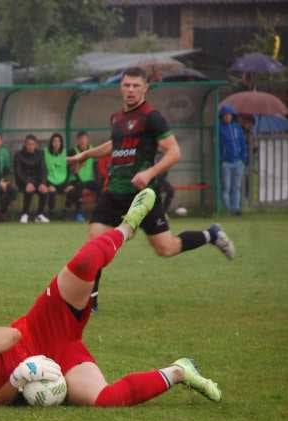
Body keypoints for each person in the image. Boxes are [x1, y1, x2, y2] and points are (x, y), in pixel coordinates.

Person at [0, 188, 222, 407]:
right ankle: (180, 370)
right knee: (105, 400)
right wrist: (20, 378)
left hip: (42, 325)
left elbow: (9, 334)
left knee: (85, 264)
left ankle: (127, 226)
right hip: (60, 359)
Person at [67, 67, 235, 310]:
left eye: (136, 85)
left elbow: (174, 151)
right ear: (120, 88)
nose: (131, 90)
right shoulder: (117, 118)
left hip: (142, 197)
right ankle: (90, 304)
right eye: (127, 85)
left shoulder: (152, 117)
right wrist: (86, 154)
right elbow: (114, 144)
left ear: (146, 88)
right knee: (94, 244)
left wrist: (149, 172)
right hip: (113, 192)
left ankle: (212, 235)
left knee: (166, 248)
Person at [219, 103, 247, 216]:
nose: (227, 117)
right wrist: (221, 159)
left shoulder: (237, 127)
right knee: (226, 186)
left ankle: (236, 209)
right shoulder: (219, 128)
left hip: (238, 162)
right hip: (226, 163)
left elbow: (242, 143)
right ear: (221, 116)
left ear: (232, 116)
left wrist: (243, 158)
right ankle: (228, 209)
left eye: (229, 115)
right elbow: (218, 146)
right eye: (225, 115)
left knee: (236, 186)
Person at [13, 135, 49, 223]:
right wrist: (27, 183)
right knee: (29, 190)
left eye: (33, 144)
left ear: (36, 145)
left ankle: (39, 215)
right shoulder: (18, 155)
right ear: (25, 144)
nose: (31, 146)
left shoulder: (40, 153)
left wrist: (43, 183)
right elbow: (18, 172)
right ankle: (25, 214)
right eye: (29, 144)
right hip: (23, 181)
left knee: (44, 190)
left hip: (37, 181)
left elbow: (43, 170)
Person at [68, 131, 101, 222]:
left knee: (100, 187)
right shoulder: (72, 151)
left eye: (84, 139)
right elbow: (72, 169)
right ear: (77, 141)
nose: (83, 141)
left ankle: (98, 213)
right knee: (78, 188)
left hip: (89, 180)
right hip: (77, 180)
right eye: (81, 139)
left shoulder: (92, 150)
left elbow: (96, 166)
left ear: (87, 140)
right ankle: (78, 213)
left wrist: (98, 178)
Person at [43, 133, 72, 220]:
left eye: (58, 141)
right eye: (54, 141)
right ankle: (51, 213)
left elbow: (69, 169)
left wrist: (68, 184)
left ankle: (65, 212)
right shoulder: (45, 152)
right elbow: (42, 169)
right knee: (52, 191)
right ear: (51, 143)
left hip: (63, 181)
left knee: (72, 190)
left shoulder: (66, 153)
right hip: (50, 181)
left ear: (61, 143)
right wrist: (46, 184)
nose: (56, 143)